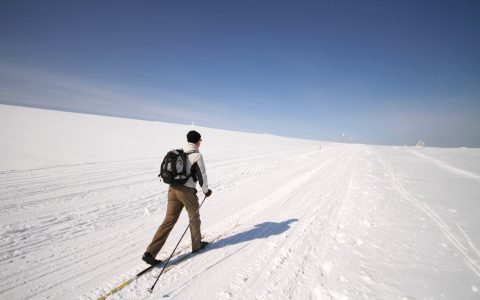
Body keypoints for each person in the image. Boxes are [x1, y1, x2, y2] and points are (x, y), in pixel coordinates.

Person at [142, 130, 212, 265]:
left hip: (172, 189)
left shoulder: (179, 152)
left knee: (169, 220)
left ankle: (150, 252)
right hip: (187, 192)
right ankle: (196, 245)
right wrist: (206, 191)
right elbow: (202, 176)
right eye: (200, 141)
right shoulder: (196, 155)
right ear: (198, 142)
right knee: (194, 218)